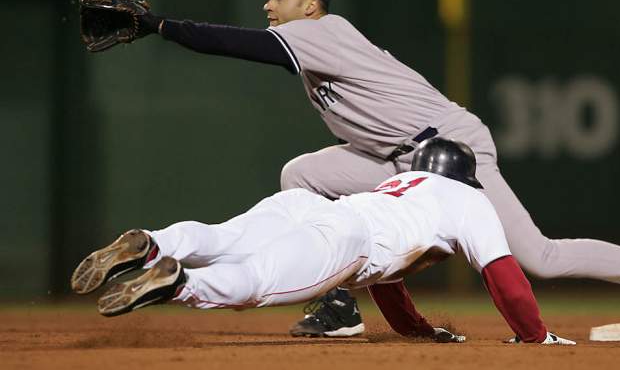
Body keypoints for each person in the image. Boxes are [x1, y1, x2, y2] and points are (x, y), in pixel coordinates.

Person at [128, 0, 620, 336]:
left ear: (310, 6)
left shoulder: (323, 33)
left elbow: (242, 46)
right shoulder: (312, 55)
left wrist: (161, 26)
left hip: (451, 150)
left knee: (538, 256)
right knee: (302, 174)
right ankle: (341, 305)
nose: (268, 3)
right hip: (394, 156)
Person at [71, 138, 576, 345]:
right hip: (346, 236)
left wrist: (419, 331)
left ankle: (156, 245)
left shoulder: (400, 189)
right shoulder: (467, 201)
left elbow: (386, 283)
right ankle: (180, 283)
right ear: (465, 177)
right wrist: (536, 336)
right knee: (255, 283)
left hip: (315, 206)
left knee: (222, 238)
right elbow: (505, 278)